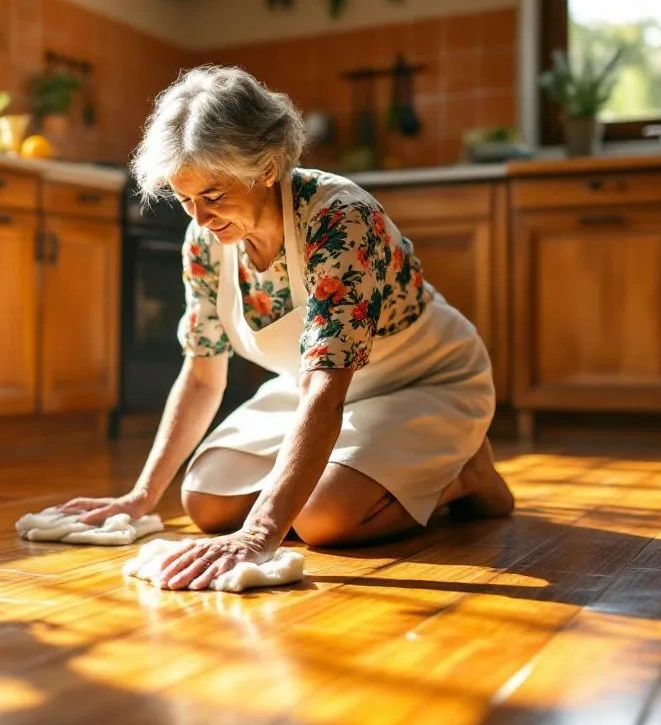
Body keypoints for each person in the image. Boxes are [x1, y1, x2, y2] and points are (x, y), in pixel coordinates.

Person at [54, 65, 514, 591]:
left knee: (323, 519)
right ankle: (383, 476)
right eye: (186, 200)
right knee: (205, 499)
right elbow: (204, 378)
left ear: (268, 167)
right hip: (313, 390)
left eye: (214, 194)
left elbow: (326, 388)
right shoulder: (206, 240)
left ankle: (464, 473)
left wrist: (260, 533)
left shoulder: (339, 220)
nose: (201, 219)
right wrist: (139, 497)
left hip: (423, 380)